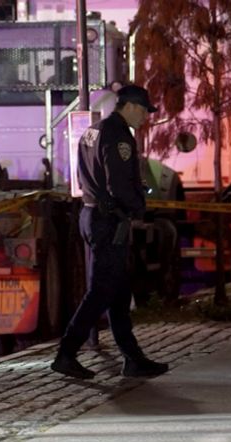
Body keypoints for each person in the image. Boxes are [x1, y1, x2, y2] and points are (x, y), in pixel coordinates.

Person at [51, 84, 170, 380]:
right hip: (109, 222)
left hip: (92, 214)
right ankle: (66, 353)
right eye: (143, 111)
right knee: (102, 291)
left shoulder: (92, 132)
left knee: (119, 292)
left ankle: (133, 358)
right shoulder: (119, 135)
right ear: (130, 106)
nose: (145, 117)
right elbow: (117, 183)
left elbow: (87, 176)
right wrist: (138, 206)